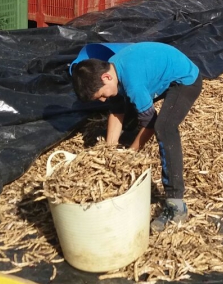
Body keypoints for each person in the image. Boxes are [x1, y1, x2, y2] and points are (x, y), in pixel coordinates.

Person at [71, 42, 203, 231]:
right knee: (127, 108)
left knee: (164, 127)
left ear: (106, 77)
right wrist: (108, 151)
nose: (102, 99)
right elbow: (116, 111)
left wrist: (130, 155)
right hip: (157, 73)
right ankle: (131, 135)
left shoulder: (133, 84)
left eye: (100, 95)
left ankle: (176, 205)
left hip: (185, 80)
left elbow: (150, 124)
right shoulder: (112, 69)